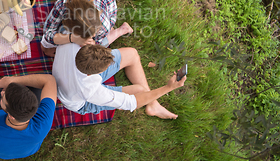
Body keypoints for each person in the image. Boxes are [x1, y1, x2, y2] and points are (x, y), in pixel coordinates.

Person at [52, 43, 185, 119]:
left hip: (72, 75)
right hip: (81, 102)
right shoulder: (90, 91)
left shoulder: (74, 42)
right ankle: (153, 106)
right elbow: (131, 103)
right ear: (92, 74)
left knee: (132, 54)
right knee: (140, 91)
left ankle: (153, 104)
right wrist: (168, 87)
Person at [0, 52, 57, 159]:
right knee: (40, 85)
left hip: (1, 151)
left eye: (3, 99)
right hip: (28, 149)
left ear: (11, 115)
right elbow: (50, 80)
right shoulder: (43, 123)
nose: (2, 93)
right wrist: (12, 80)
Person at [41, 0, 133, 57]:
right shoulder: (64, 3)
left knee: (97, 48)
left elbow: (97, 43)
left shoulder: (104, 24)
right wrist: (72, 38)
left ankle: (122, 30)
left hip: (106, 2)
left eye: (94, 34)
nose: (93, 36)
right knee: (46, 45)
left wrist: (93, 43)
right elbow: (48, 33)